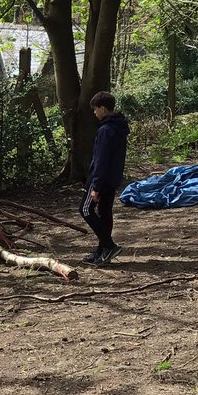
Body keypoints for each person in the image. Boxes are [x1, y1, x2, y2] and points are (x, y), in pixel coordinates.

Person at [80, 91, 129, 265]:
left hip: (101, 180)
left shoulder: (106, 130)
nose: (94, 113)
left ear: (102, 108)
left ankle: (109, 246)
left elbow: (101, 160)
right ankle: (102, 252)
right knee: (104, 213)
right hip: (113, 179)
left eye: (95, 109)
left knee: (85, 210)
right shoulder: (119, 127)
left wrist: (96, 186)